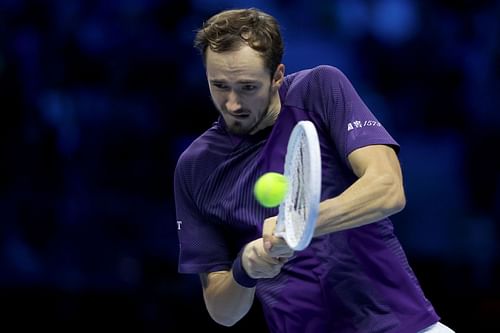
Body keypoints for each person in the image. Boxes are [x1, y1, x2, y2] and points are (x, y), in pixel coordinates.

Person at [174, 7, 454, 333]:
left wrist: (296, 224)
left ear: (277, 76)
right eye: (219, 86)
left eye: (248, 87)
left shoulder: (320, 88)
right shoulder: (195, 167)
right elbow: (223, 312)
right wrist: (244, 268)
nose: (233, 103)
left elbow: (388, 189)